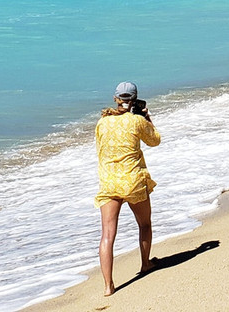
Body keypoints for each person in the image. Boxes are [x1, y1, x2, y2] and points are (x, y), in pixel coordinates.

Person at [94, 80, 162, 296]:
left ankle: (108, 286)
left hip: (109, 182)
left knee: (107, 235)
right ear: (134, 100)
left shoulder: (102, 123)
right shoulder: (136, 121)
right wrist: (148, 119)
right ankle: (145, 264)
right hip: (132, 181)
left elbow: (100, 149)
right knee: (144, 224)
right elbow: (155, 141)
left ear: (116, 99)